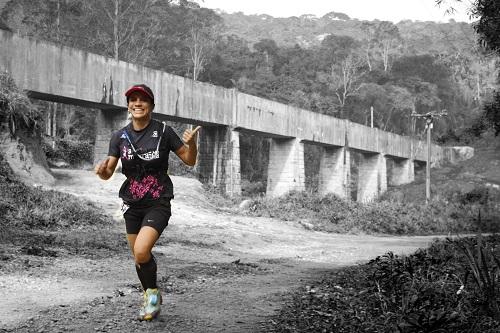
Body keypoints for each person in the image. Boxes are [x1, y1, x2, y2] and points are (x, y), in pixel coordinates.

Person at [94, 83, 200, 321]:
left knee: (142, 250)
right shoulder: (119, 137)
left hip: (158, 201)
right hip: (131, 203)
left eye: (143, 100)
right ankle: (151, 294)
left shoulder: (163, 131)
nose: (137, 103)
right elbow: (109, 171)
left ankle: (151, 299)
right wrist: (100, 170)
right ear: (129, 106)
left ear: (152, 105)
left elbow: (189, 160)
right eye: (133, 100)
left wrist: (191, 143)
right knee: (139, 257)